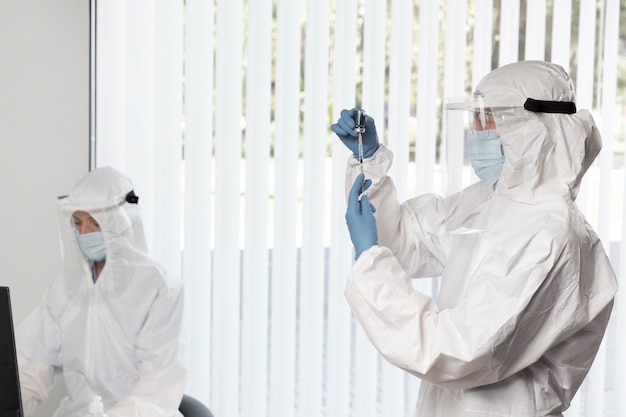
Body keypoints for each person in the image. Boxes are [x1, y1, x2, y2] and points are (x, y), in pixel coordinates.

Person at [331, 60, 618, 416]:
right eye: (475, 119)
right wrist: (369, 161)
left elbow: (457, 351)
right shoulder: (496, 202)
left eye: (488, 118)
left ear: (531, 129)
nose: (476, 132)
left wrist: (371, 262)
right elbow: (410, 240)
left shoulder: (548, 236)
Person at [16, 166, 187, 417]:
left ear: (119, 221)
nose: (83, 233)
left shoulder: (159, 288)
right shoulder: (66, 288)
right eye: (77, 223)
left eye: (93, 223)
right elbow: (32, 368)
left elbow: (158, 390)